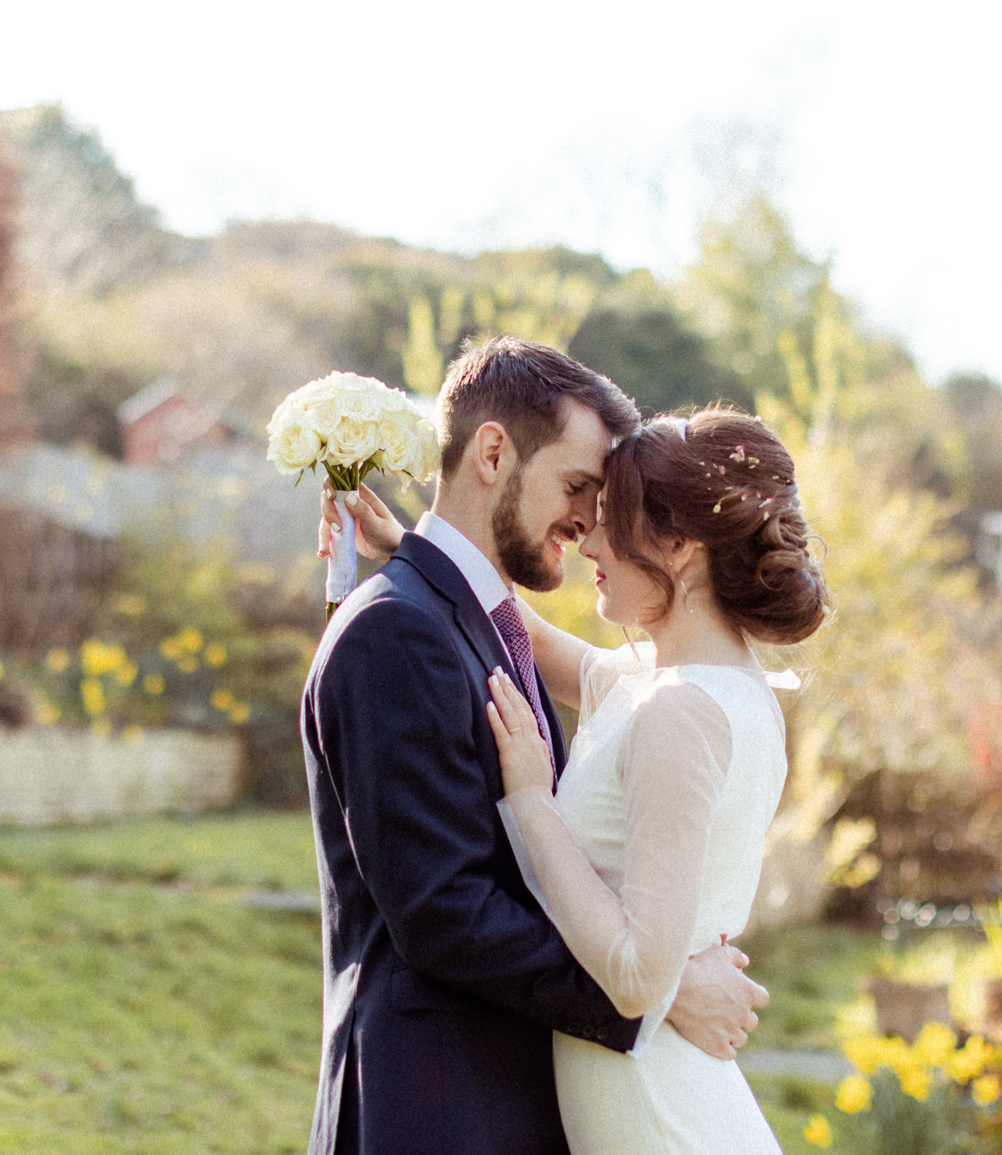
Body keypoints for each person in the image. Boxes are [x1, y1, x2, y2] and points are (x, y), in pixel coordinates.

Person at [300, 338, 771, 1155]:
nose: (592, 522)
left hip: (511, 1104)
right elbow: (445, 912)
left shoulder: (477, 625)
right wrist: (652, 996)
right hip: (437, 1109)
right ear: (492, 453)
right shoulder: (392, 633)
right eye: (579, 486)